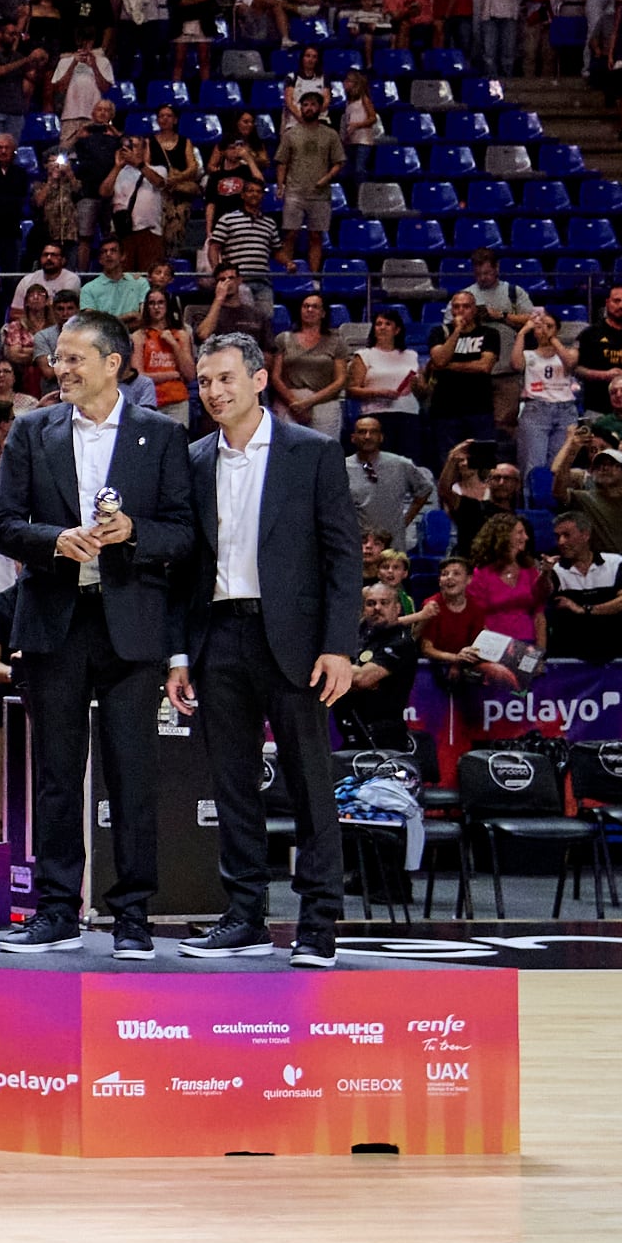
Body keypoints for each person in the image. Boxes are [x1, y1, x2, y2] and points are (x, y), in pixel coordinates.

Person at [0, 308, 198, 956]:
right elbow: (0, 522)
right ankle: (56, 910)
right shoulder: (32, 430)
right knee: (55, 774)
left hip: (132, 625)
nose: (61, 368)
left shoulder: (161, 435)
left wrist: (133, 533)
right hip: (54, 622)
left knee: (132, 774)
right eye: (59, 358)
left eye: (75, 358)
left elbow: (184, 533)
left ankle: (132, 916)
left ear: (113, 363)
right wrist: (56, 540)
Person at [172, 332, 364, 964]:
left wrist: (339, 647)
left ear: (260, 380)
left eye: (225, 378)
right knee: (232, 785)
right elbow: (183, 569)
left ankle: (318, 924)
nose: (214, 391)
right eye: (204, 381)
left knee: (310, 784)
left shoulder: (312, 451)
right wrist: (180, 654)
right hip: (216, 636)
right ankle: (245, 917)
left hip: (296, 642)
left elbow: (343, 557)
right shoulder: (192, 458)